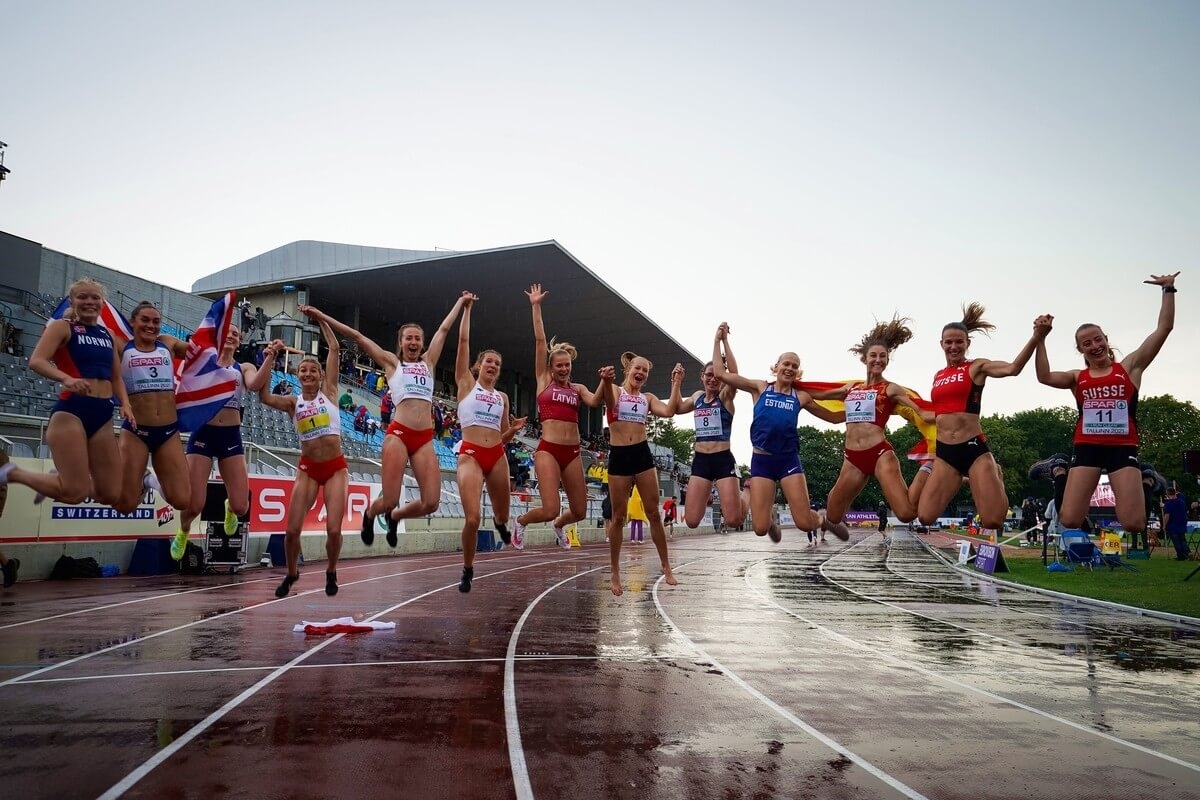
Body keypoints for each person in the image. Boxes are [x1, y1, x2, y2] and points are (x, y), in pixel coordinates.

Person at [302, 294, 471, 548]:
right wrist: (321, 316)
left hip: (425, 439)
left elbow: (445, 328)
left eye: (417, 338)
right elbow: (358, 337)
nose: (413, 342)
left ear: (422, 342)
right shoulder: (392, 363)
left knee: (431, 503)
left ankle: (395, 517)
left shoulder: (429, 362)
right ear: (401, 343)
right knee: (389, 499)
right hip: (399, 435)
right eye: (408, 338)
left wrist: (461, 302)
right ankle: (371, 515)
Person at [1034, 273, 1179, 551]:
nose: (1095, 346)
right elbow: (1044, 376)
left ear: (1106, 339)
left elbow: (1163, 329)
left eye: (1098, 339)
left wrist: (1168, 289)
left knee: (1134, 523)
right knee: (1070, 518)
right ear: (1080, 350)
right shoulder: (1078, 377)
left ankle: (1147, 478)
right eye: (1087, 343)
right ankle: (1058, 469)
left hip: (1122, 446)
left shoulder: (1130, 368)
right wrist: (1040, 339)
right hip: (1087, 446)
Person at [0, 278, 131, 509]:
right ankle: (15, 473)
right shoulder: (63, 327)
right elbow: (36, 361)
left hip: (103, 414)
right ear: (72, 300)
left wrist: (126, 404)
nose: (89, 301)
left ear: (102, 302)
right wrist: (66, 378)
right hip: (72, 411)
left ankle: (57, 479)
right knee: (74, 493)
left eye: (95, 297)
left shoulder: (108, 333)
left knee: (111, 495)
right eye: (82, 297)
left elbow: (117, 377)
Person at [712, 324, 845, 543]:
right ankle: (770, 521)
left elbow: (831, 417)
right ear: (776, 366)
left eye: (795, 366)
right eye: (786, 363)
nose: (790, 368)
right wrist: (720, 341)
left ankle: (823, 521)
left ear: (798, 372)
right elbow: (720, 373)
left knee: (804, 522)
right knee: (760, 529)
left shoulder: (800, 397)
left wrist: (859, 411)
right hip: (762, 461)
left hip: (788, 460)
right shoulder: (760, 388)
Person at [916, 303, 1042, 531]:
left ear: (967, 343)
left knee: (993, 521)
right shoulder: (938, 375)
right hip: (946, 453)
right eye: (949, 342)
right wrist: (901, 401)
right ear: (941, 344)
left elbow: (1013, 368)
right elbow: (935, 414)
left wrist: (1036, 337)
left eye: (959, 342)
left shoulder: (976, 367)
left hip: (972, 448)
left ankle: (995, 473)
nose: (953, 346)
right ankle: (966, 479)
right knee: (925, 517)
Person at [808, 316, 935, 532]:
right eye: (873, 356)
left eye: (883, 356)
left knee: (905, 513)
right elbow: (820, 396)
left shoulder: (891, 388)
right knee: (833, 515)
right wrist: (794, 395)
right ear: (864, 359)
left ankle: (929, 467)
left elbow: (919, 409)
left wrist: (948, 417)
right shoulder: (851, 388)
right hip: (852, 458)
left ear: (887, 360)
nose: (878, 360)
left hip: (879, 454)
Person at [259, 312, 348, 598]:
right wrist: (270, 358)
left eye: (313, 370)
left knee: (334, 530)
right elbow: (263, 397)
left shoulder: (330, 393)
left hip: (335, 469)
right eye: (303, 371)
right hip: (308, 469)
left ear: (321, 375)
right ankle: (291, 573)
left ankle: (331, 570)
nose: (308, 374)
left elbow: (334, 348)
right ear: (297, 376)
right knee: (291, 531)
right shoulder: (291, 403)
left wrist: (319, 317)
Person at [511, 284, 606, 550]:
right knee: (551, 507)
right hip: (549, 450)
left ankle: (559, 526)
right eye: (559, 365)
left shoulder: (578, 389)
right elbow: (540, 342)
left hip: (573, 452)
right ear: (551, 368)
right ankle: (520, 520)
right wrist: (536, 306)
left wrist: (605, 382)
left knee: (579, 512)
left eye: (567, 365)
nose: (563, 369)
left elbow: (597, 401)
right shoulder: (544, 382)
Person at [176, 327, 277, 560]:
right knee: (194, 505)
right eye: (227, 332)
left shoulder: (243, 368)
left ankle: (229, 507)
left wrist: (269, 358)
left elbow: (254, 385)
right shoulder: (205, 363)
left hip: (230, 436)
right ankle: (183, 531)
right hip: (203, 433)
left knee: (242, 506)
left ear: (240, 342)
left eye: (236, 333)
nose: (232, 335)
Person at [450, 293, 525, 592]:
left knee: (503, 515)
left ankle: (501, 523)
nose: (492, 366)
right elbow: (463, 344)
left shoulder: (502, 398)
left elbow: (503, 435)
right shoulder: (466, 384)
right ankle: (468, 568)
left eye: (497, 363)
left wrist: (514, 430)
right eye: (488, 361)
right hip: (470, 454)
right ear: (479, 365)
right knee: (472, 517)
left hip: (496, 454)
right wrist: (467, 310)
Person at [601, 352, 682, 596]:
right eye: (638, 368)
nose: (641, 373)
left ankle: (666, 565)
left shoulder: (647, 398)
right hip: (619, 455)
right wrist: (605, 381)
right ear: (628, 370)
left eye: (645, 371)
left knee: (654, 515)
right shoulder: (615, 390)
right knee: (618, 517)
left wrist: (676, 382)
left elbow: (669, 411)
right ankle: (615, 570)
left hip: (642, 455)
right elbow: (608, 401)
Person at [110, 302, 193, 519]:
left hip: (167, 432)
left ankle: (149, 481)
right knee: (124, 506)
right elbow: (98, 332)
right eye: (145, 320)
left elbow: (199, 354)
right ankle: (144, 480)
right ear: (132, 322)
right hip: (136, 432)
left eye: (156, 321)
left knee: (183, 500)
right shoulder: (122, 346)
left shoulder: (168, 343)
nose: (151, 325)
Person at [671, 324, 744, 533]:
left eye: (717, 375)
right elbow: (676, 408)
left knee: (733, 520)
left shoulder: (726, 396)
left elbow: (735, 374)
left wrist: (721, 341)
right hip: (701, 461)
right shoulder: (696, 398)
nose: (713, 379)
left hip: (722, 459)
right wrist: (676, 383)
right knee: (692, 521)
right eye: (708, 375)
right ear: (702, 376)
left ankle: (747, 495)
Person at [1162, 487, 1190, 561]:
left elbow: (1167, 515)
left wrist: (1164, 525)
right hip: (1182, 523)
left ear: (1167, 494)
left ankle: (1181, 556)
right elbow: (1185, 511)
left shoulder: (1168, 504)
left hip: (1173, 525)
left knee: (1176, 541)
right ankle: (1187, 553)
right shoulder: (1181, 502)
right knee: (1182, 539)